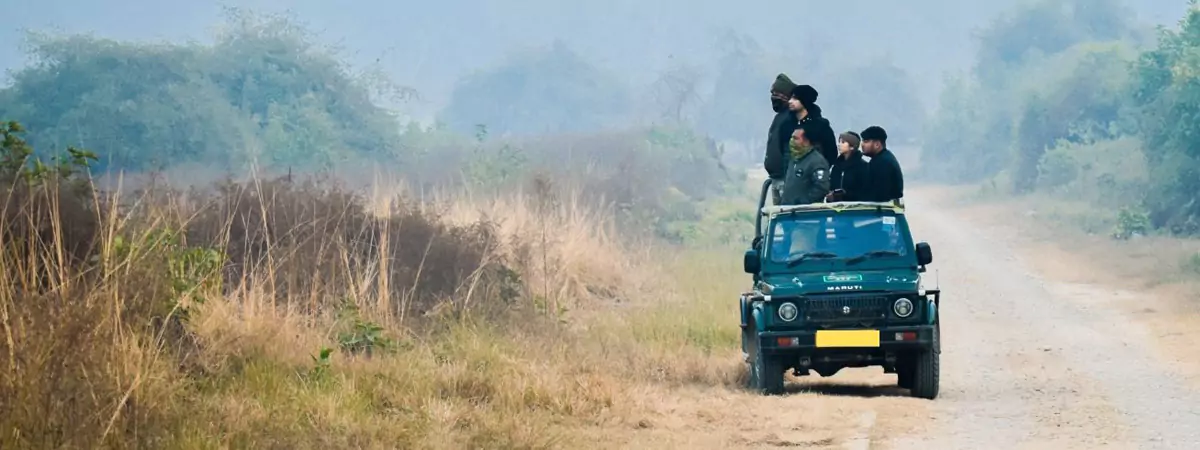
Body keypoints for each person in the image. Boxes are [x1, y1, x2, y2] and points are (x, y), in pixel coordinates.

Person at [765, 74, 799, 205]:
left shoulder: (790, 118)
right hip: (776, 178)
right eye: (772, 93)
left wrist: (789, 177)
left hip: (785, 180)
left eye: (776, 93)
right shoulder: (780, 117)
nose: (773, 97)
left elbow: (789, 151)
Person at [779, 123, 831, 205]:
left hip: (804, 213)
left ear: (806, 141)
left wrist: (803, 202)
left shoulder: (817, 161)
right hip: (788, 209)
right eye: (791, 137)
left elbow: (821, 188)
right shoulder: (793, 158)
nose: (792, 141)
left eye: (796, 138)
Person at [788, 85, 838, 166]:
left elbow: (831, 153)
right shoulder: (787, 125)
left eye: (795, 98)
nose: (790, 101)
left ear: (804, 100)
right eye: (790, 98)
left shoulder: (820, 126)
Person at [860, 125, 904, 203]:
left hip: (884, 211)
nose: (862, 145)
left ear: (877, 144)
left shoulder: (882, 162)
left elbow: (879, 195)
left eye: (866, 141)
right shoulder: (883, 158)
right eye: (862, 141)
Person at [826, 131, 870, 202]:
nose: (839, 145)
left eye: (843, 142)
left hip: (854, 209)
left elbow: (863, 191)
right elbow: (832, 185)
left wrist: (844, 195)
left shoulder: (862, 166)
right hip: (835, 208)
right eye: (839, 142)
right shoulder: (836, 166)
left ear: (852, 147)